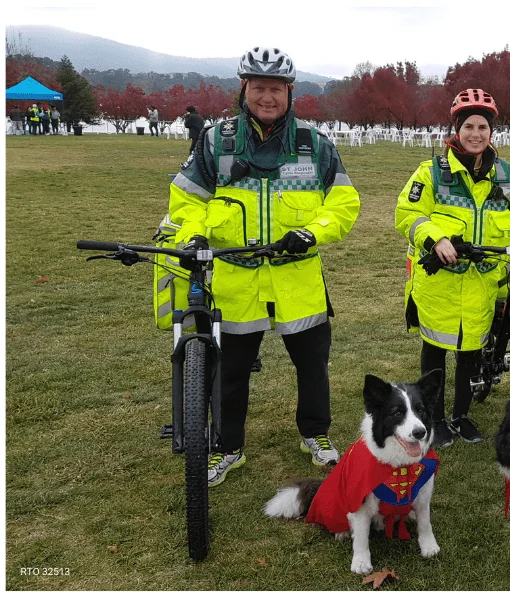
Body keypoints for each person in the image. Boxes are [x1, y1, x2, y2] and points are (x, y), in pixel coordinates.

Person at [168, 46, 361, 487]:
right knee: (231, 370)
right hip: (237, 280)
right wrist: (192, 235)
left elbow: (344, 203)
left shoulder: (315, 145)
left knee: (313, 365)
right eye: (259, 88)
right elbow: (186, 201)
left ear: (291, 92)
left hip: (298, 278)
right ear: (244, 89)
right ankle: (228, 447)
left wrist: (313, 232)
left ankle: (315, 434)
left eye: (276, 89)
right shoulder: (216, 141)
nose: (267, 97)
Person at [395, 88, 510, 446]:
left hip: (483, 283)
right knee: (435, 350)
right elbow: (408, 213)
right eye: (469, 126)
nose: (476, 134)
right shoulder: (431, 173)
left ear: (491, 131)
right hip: (441, 282)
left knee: (470, 352)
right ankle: (433, 418)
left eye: (483, 127)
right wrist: (436, 239)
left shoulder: (506, 175)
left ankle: (460, 415)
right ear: (457, 129)